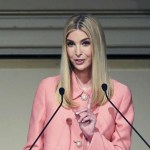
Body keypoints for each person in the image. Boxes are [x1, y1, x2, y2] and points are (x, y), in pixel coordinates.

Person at [24, 14, 134, 150]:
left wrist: (93, 136)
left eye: (85, 43)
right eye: (71, 44)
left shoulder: (120, 94)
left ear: (97, 46)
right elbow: (33, 147)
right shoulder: (48, 88)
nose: (77, 52)